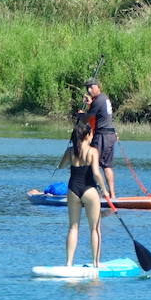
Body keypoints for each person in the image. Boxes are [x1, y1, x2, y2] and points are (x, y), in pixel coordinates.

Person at [58, 116, 115, 269]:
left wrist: (68, 153)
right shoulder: (92, 151)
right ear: (87, 135)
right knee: (95, 228)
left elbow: (61, 166)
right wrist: (105, 191)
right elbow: (96, 173)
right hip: (89, 190)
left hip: (72, 190)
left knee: (73, 227)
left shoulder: (70, 151)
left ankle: (68, 263)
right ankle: (96, 263)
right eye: (91, 134)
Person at [81, 78, 117, 201]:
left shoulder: (98, 101)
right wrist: (90, 104)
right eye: (87, 88)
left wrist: (81, 114)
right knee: (107, 166)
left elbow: (88, 119)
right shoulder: (104, 98)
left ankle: (98, 193)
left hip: (101, 136)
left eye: (91, 87)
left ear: (98, 87)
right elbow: (96, 114)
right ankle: (112, 194)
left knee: (93, 164)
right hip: (110, 135)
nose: (89, 90)